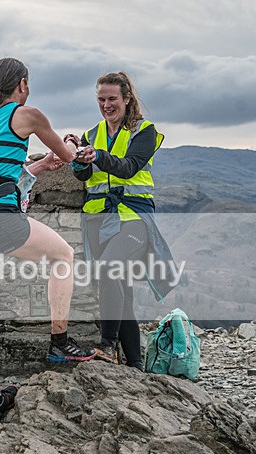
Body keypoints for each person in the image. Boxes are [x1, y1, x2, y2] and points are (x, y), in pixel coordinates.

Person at [0, 57, 97, 421]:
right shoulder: (28, 114)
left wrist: (36, 167)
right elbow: (71, 157)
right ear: (23, 84)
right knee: (63, 255)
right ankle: (60, 343)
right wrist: (69, 145)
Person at [69, 71, 171, 370]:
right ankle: (136, 364)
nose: (106, 105)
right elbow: (84, 176)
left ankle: (107, 345)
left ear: (127, 98)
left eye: (112, 98)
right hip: (99, 220)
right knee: (121, 290)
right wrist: (79, 158)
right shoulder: (92, 133)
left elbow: (128, 168)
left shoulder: (145, 130)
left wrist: (97, 154)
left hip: (133, 218)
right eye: (101, 99)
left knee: (109, 271)